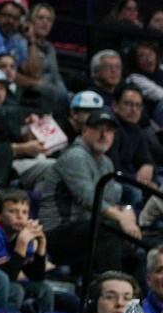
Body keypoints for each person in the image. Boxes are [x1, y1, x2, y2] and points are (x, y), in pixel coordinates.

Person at [39, 99, 143, 276]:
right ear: (85, 130)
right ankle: (110, 285)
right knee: (109, 229)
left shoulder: (106, 162)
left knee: (138, 248)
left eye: (109, 131)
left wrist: (127, 212)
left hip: (87, 230)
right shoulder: (75, 156)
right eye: (98, 129)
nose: (104, 135)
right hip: (57, 231)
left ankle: (132, 299)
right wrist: (121, 218)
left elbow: (112, 202)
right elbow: (88, 198)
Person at [0, 188, 53, 313]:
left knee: (43, 289)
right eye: (12, 211)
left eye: (25, 212)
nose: (20, 216)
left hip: (6, 278)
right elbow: (7, 275)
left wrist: (41, 244)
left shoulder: (22, 234)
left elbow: (36, 276)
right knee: (13, 287)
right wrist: (22, 244)